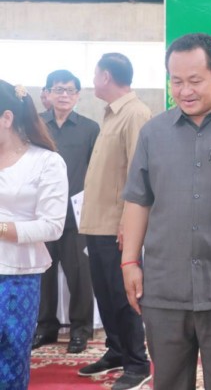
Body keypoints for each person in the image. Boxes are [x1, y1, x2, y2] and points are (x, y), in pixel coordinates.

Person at [121, 34, 211, 390]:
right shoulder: (153, 132)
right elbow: (138, 200)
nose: (185, 91)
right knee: (169, 382)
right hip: (164, 284)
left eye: (195, 80)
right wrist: (130, 261)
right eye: (176, 81)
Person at [78, 53, 152, 390]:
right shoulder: (110, 115)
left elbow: (139, 173)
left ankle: (137, 362)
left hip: (117, 226)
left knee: (124, 297)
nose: (93, 81)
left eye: (95, 74)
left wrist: (127, 223)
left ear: (106, 76)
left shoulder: (135, 113)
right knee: (106, 295)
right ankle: (117, 350)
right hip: (97, 223)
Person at [0, 80, 67, 389]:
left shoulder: (45, 162)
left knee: (10, 358)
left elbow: (52, 225)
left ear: (7, 118)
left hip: (16, 276)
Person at [34, 70, 99, 354]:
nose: (64, 95)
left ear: (78, 96)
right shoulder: (35, 125)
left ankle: (80, 330)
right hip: (41, 214)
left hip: (76, 216)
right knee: (43, 274)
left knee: (80, 276)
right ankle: (45, 327)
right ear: (47, 93)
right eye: (58, 89)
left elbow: (95, 171)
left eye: (70, 90)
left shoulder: (90, 128)